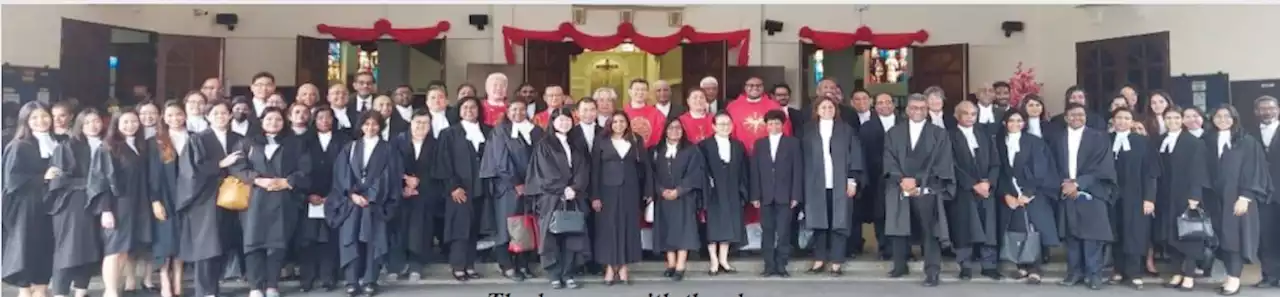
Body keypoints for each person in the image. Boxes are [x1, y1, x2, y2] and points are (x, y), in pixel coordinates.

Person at [230, 107, 309, 297]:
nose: (273, 123)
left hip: (283, 199)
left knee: (277, 244)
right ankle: (256, 286)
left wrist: (287, 182)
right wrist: (257, 179)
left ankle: (272, 284)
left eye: (278, 119)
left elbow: (305, 168)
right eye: (269, 119)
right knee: (253, 243)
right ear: (261, 121)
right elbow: (237, 167)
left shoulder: (295, 143)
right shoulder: (247, 143)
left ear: (284, 122)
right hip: (254, 199)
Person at [325, 111, 402, 296]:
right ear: (361, 126)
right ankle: (352, 281)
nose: (370, 128)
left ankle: (370, 280)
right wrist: (352, 194)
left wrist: (371, 197)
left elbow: (389, 176)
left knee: (373, 240)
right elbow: (341, 175)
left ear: (380, 126)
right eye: (366, 124)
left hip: (376, 203)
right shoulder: (350, 148)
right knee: (350, 239)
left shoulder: (388, 149)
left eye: (375, 124)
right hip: (351, 203)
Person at [883, 93, 956, 287]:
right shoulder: (894, 132)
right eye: (914, 108)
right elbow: (889, 158)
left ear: (928, 110)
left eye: (922, 108)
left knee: (929, 231)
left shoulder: (939, 134)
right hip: (899, 186)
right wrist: (901, 179)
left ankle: (932, 271)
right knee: (899, 228)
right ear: (907, 110)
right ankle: (899, 266)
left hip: (927, 188)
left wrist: (917, 181)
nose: (918, 111)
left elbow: (942, 163)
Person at [177, 100, 243, 297]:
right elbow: (191, 171)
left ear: (231, 116)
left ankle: (216, 286)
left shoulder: (238, 139)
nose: (221, 117)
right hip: (205, 199)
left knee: (225, 242)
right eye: (216, 113)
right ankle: (206, 291)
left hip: (235, 197)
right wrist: (220, 164)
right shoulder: (198, 140)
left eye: (225, 113)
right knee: (207, 246)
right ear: (207, 116)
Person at [1204, 106, 1270, 295]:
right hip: (1215, 198)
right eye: (1218, 116)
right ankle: (1229, 276)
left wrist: (1246, 196)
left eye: (1227, 116)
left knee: (1234, 239)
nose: (1222, 119)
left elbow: (1254, 170)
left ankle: (1234, 279)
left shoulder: (1247, 142)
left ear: (1234, 119)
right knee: (1220, 237)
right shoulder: (1208, 140)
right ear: (1213, 118)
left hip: (1237, 197)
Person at [1052, 103, 1117, 290]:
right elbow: (1052, 164)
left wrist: (1078, 183)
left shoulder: (1098, 138)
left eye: (1081, 115)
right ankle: (1074, 273)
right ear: (1065, 118)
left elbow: (1102, 167)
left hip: (1092, 191)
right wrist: (1064, 184)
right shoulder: (1058, 139)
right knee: (1072, 235)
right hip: (1066, 190)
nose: (1077, 118)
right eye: (1072, 115)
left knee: (1092, 236)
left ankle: (1094, 274)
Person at [525, 107, 591, 289]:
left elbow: (583, 169)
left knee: (572, 235)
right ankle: (554, 274)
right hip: (551, 197)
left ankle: (568, 273)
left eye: (567, 119)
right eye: (560, 120)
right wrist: (563, 189)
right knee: (551, 236)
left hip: (573, 197)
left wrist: (575, 188)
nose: (564, 123)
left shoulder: (576, 143)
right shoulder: (544, 145)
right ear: (553, 123)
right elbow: (545, 172)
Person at [995, 109, 1062, 285]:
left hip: (1034, 193)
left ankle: (1035, 268)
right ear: (1005, 123)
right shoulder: (999, 143)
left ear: (1024, 123)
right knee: (1018, 230)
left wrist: (1028, 193)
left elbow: (1041, 168)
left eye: (1019, 121)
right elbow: (998, 170)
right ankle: (1022, 266)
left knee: (1034, 230)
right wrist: (1006, 193)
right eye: (1011, 121)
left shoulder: (1034, 142)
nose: (1015, 124)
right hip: (1011, 193)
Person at [480, 100, 543, 281]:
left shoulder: (536, 131)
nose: (518, 112)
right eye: (514, 109)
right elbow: (501, 160)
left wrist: (532, 183)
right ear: (507, 111)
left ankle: (522, 264)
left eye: (522, 109)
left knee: (525, 226)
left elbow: (541, 158)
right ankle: (506, 265)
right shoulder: (500, 131)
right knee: (506, 227)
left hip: (530, 187)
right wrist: (516, 182)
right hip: (507, 187)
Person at [801, 98, 865, 276]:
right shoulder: (807, 131)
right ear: (817, 110)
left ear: (835, 110)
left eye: (830, 107)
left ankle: (836, 262)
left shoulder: (846, 130)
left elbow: (855, 156)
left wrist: (852, 181)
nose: (827, 109)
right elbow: (801, 158)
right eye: (823, 107)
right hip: (815, 183)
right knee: (818, 223)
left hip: (840, 183)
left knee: (840, 223)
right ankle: (819, 260)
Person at [47, 108, 106, 297]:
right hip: (72, 204)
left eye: (96, 120)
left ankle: (81, 292)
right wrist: (90, 184)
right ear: (79, 124)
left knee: (89, 251)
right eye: (87, 122)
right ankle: (60, 292)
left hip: (98, 203)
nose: (93, 125)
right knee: (68, 251)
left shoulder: (107, 144)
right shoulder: (67, 146)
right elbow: (58, 179)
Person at [435, 96, 491, 281]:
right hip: (459, 188)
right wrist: (453, 187)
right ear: (459, 111)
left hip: (480, 188)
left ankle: (470, 264)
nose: (469, 110)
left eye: (473, 107)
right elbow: (443, 162)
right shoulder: (449, 133)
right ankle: (458, 265)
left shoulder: (488, 131)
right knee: (460, 228)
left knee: (474, 228)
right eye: (465, 107)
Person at [946, 101, 1002, 281]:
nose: (970, 117)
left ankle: (989, 265)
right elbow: (951, 165)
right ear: (957, 116)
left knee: (989, 228)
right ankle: (965, 266)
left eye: (973, 114)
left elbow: (995, 161)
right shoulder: (949, 136)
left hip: (986, 189)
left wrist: (988, 183)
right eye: (966, 113)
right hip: (964, 190)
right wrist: (972, 184)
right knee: (964, 228)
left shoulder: (984, 134)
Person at [590, 112, 648, 285]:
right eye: (615, 121)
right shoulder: (601, 140)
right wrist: (595, 196)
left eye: (622, 121)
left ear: (627, 124)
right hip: (607, 191)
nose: (618, 124)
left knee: (628, 228)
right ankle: (610, 267)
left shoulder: (636, 140)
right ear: (610, 124)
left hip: (630, 190)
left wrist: (647, 191)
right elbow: (595, 170)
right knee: (608, 229)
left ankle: (623, 267)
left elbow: (644, 167)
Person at [296, 107, 349, 292]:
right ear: (314, 120)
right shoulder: (304, 141)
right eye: (320, 117)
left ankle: (328, 277)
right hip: (309, 197)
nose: (325, 120)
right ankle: (307, 279)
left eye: (328, 117)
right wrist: (308, 195)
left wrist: (333, 195)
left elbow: (346, 169)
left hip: (334, 195)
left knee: (329, 238)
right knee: (308, 239)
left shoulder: (344, 141)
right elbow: (297, 170)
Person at [1106, 107, 1158, 289]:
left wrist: (1149, 198)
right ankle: (1118, 269)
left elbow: (1151, 172)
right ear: (1113, 120)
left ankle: (1135, 272)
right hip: (1112, 195)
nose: (1122, 121)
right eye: (1118, 118)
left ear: (1133, 121)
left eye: (1127, 118)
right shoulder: (1106, 140)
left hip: (1137, 194)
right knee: (1116, 231)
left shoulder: (1142, 142)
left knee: (1135, 233)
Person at [650, 119, 703, 281]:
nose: (675, 131)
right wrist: (661, 190)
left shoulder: (691, 150)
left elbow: (695, 174)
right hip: (663, 197)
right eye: (671, 128)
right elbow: (651, 174)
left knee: (683, 231)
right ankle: (671, 264)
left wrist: (679, 191)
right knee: (666, 230)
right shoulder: (656, 150)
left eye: (678, 128)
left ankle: (680, 266)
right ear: (665, 130)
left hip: (684, 197)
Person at [751, 110, 803, 278]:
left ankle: (781, 265)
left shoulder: (792, 143)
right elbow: (755, 171)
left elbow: (798, 170)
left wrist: (796, 195)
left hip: (785, 195)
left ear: (783, 125)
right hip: (765, 195)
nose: (774, 126)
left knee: (784, 231)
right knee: (767, 231)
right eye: (771, 123)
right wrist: (755, 195)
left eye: (777, 123)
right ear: (766, 126)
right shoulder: (760, 144)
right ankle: (768, 265)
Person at [147, 100, 190, 297]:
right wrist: (155, 200)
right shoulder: (156, 141)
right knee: (165, 240)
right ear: (164, 118)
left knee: (183, 240)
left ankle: (178, 281)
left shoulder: (194, 138)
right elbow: (152, 175)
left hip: (189, 197)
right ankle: (165, 282)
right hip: (165, 196)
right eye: (170, 115)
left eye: (179, 114)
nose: (175, 119)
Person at [700, 113, 748, 275]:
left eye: (728, 123)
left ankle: (723, 259)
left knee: (729, 224)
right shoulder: (704, 146)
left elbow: (744, 170)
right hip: (713, 190)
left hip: (732, 189)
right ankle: (713, 260)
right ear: (713, 126)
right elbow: (700, 170)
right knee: (713, 226)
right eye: (721, 124)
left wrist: (743, 191)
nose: (725, 127)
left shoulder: (738, 145)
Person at [858, 93, 901, 260]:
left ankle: (903, 249)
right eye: (880, 102)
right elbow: (863, 153)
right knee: (880, 213)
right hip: (877, 176)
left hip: (900, 176)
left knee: (901, 213)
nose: (884, 105)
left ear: (893, 105)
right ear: (875, 106)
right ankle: (884, 247)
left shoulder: (903, 123)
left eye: (888, 102)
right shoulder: (867, 127)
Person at [1252, 96, 1280, 289]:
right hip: (1263, 193)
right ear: (1256, 112)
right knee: (1266, 236)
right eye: (1262, 109)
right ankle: (1269, 276)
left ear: (1278, 109)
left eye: (1271, 108)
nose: (1267, 112)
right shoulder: (1249, 134)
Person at [622, 79, 665, 148]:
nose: (640, 92)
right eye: (637, 89)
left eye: (643, 90)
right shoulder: (622, 113)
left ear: (647, 93)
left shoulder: (657, 114)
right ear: (629, 92)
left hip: (649, 153)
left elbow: (660, 137)